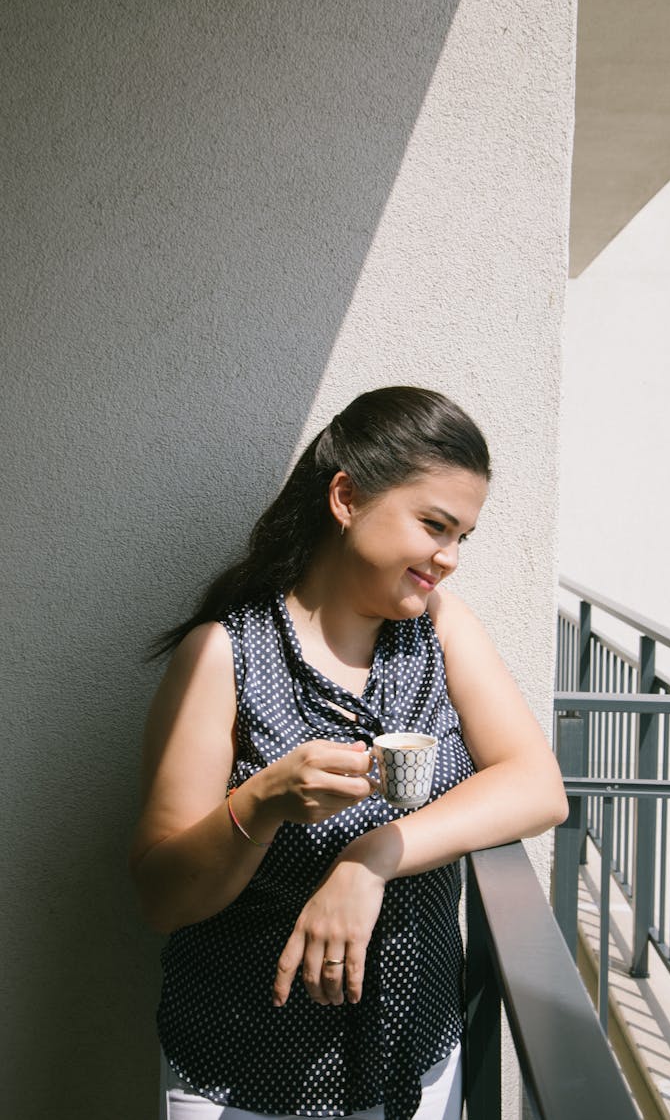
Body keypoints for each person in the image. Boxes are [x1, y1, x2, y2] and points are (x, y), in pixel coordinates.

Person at [130, 386, 568, 1120]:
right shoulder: (224, 655)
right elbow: (160, 896)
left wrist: (374, 855)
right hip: (241, 1077)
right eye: (435, 525)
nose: (450, 558)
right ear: (345, 497)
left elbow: (537, 785)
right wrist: (261, 802)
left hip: (415, 1065)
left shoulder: (440, 631)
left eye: (463, 536)